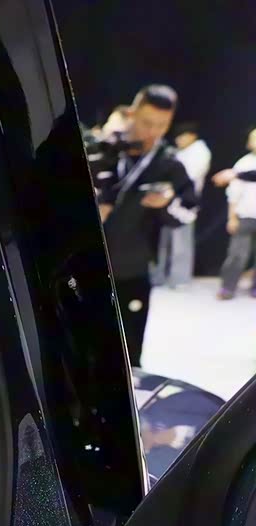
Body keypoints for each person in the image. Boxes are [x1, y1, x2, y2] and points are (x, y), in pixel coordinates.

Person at [92, 85, 199, 367]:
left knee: (129, 354)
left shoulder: (169, 164)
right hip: (85, 266)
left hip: (133, 269)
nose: (153, 132)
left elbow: (189, 212)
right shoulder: (99, 150)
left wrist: (167, 203)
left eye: (162, 125)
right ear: (132, 113)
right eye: (147, 122)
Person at [154, 122, 210, 287]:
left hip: (184, 203)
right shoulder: (178, 152)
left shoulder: (200, 151)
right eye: (177, 137)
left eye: (182, 137)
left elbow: (187, 177)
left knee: (181, 243)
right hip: (166, 201)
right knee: (161, 242)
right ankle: (158, 277)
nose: (178, 140)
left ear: (192, 136)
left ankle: (180, 280)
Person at [216, 128, 256, 300]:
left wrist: (235, 174)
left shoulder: (239, 171)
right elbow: (233, 193)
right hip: (245, 215)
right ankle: (228, 287)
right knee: (237, 255)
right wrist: (231, 217)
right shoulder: (244, 163)